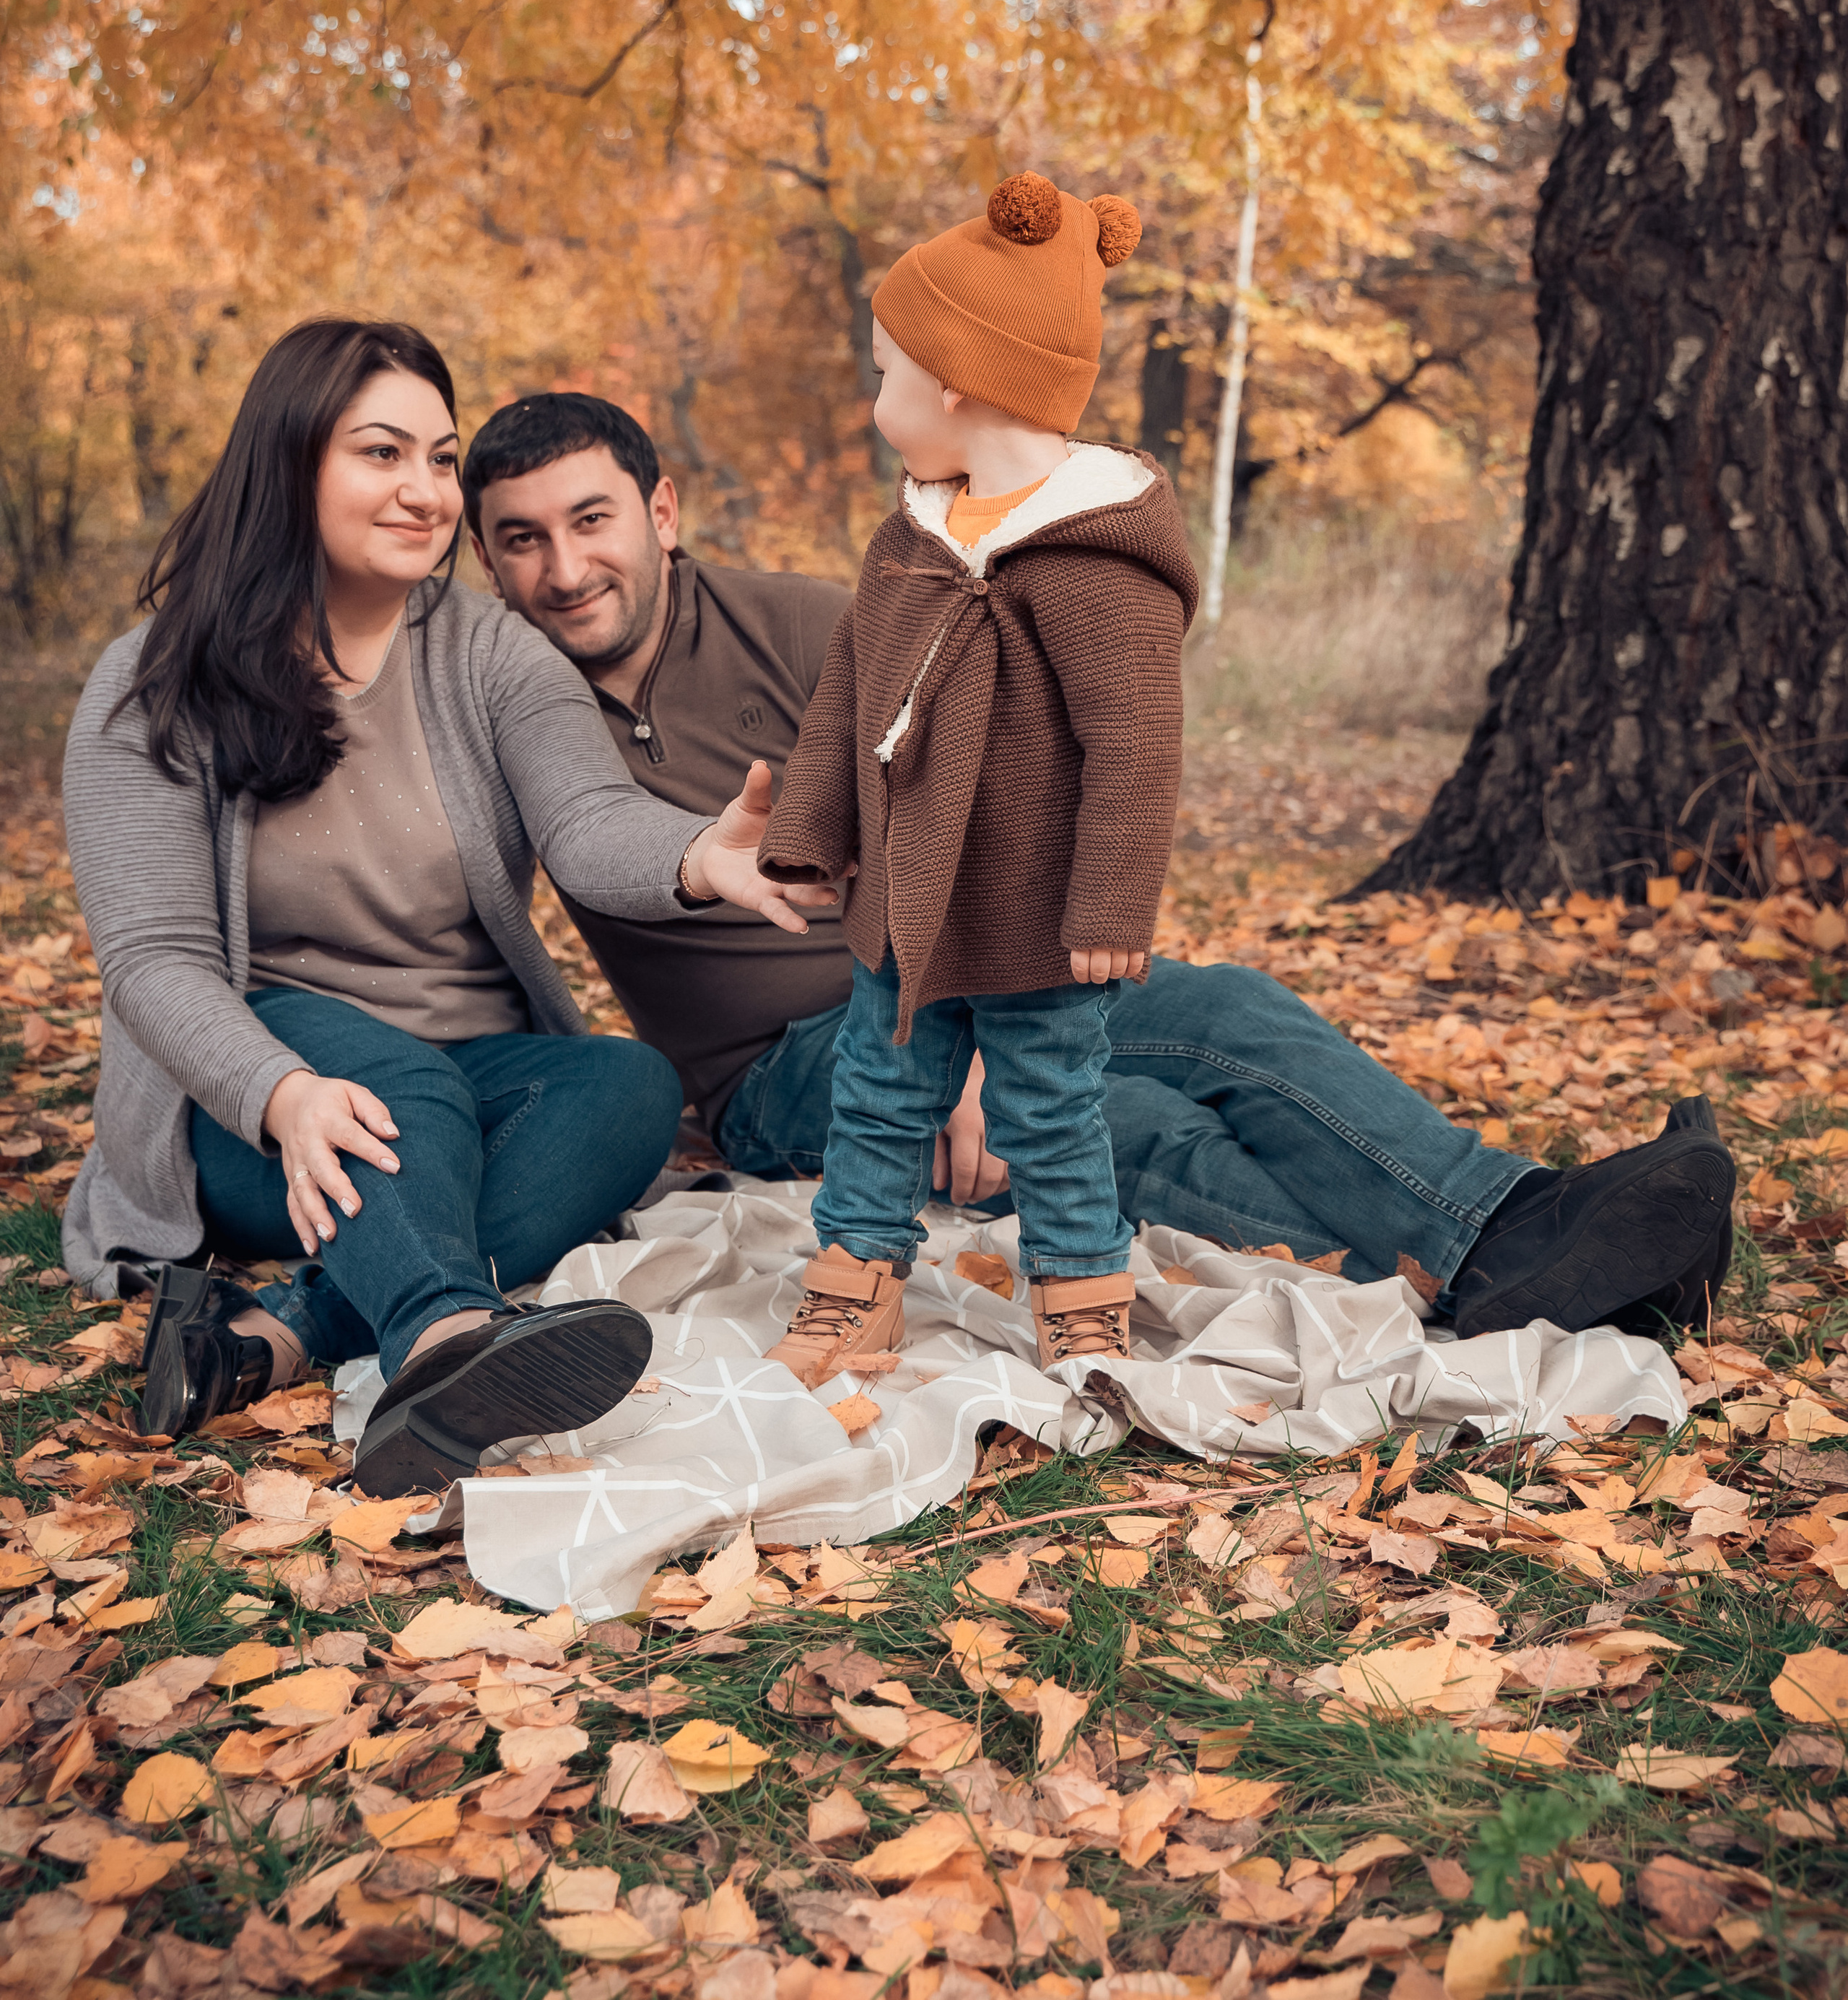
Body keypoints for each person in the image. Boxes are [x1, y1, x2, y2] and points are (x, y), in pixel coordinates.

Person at [463, 403, 1737, 1353]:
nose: (564, 571)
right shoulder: (516, 703)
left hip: (965, 971)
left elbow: (992, 789)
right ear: (482, 556)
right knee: (1134, 1131)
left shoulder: (814, 618)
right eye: (519, 541)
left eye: (591, 522)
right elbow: (531, 869)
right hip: (787, 1069)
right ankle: (1494, 1281)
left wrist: (959, 1025)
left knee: (1231, 1012)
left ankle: (1523, 1215)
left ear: (661, 511)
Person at [61, 318, 835, 1496]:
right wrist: (279, 1092)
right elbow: (155, 961)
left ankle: (268, 1340)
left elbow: (587, 821)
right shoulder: (155, 679)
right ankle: (440, 1338)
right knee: (401, 1086)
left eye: (440, 456)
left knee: (629, 1088)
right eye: (384, 454)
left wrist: (696, 858)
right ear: (292, 461)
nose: (425, 491)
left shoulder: (492, 654)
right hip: (255, 1103)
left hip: (466, 1086)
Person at [753, 173, 1195, 1376]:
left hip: (1037, 911)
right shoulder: (912, 537)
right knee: (878, 1095)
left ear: (956, 382)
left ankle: (1080, 1289)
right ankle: (858, 1278)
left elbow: (1136, 746)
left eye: (887, 372)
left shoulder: (1093, 557)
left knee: (1050, 1105)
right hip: (904, 898)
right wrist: (807, 834)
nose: (875, 396)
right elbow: (849, 691)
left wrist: (1110, 907)